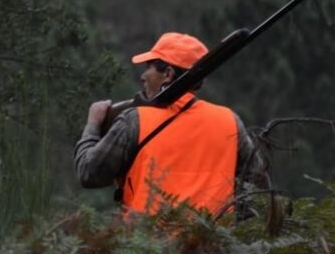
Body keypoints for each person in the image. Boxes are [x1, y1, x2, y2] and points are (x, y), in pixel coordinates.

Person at [74, 32, 265, 216]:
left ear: (168, 73)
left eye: (149, 66)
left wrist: (93, 124)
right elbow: (258, 188)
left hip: (147, 246)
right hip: (214, 244)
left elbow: (89, 173)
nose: (143, 76)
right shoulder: (229, 121)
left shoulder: (134, 121)